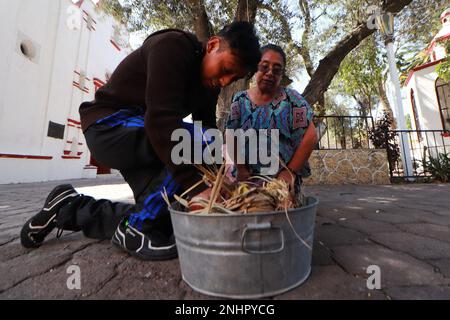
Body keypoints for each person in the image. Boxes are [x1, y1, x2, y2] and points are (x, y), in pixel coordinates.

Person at [20, 22, 261, 261]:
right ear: (213, 45)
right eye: (227, 69)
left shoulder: (209, 87)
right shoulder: (173, 47)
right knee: (200, 142)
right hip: (109, 125)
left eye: (234, 78)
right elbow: (162, 122)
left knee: (163, 217)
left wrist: (229, 181)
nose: (225, 81)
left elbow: (206, 131)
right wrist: (198, 189)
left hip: (142, 137)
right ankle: (135, 230)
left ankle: (68, 208)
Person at [225, 44, 317, 198]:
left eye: (277, 69)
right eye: (264, 67)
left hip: (281, 182)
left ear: (282, 74)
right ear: (256, 68)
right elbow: (230, 135)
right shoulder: (240, 100)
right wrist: (241, 169)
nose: (270, 73)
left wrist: (289, 173)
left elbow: (310, 137)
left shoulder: (292, 100)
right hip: (247, 180)